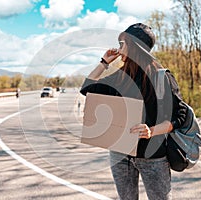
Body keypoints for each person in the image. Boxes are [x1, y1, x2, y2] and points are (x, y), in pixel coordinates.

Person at [80, 23, 187, 200]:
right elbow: (87, 88)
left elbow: (180, 116)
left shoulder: (161, 78)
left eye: (123, 43)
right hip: (120, 154)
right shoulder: (119, 77)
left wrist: (151, 131)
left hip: (153, 156)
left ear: (136, 46)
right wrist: (104, 63)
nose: (119, 48)